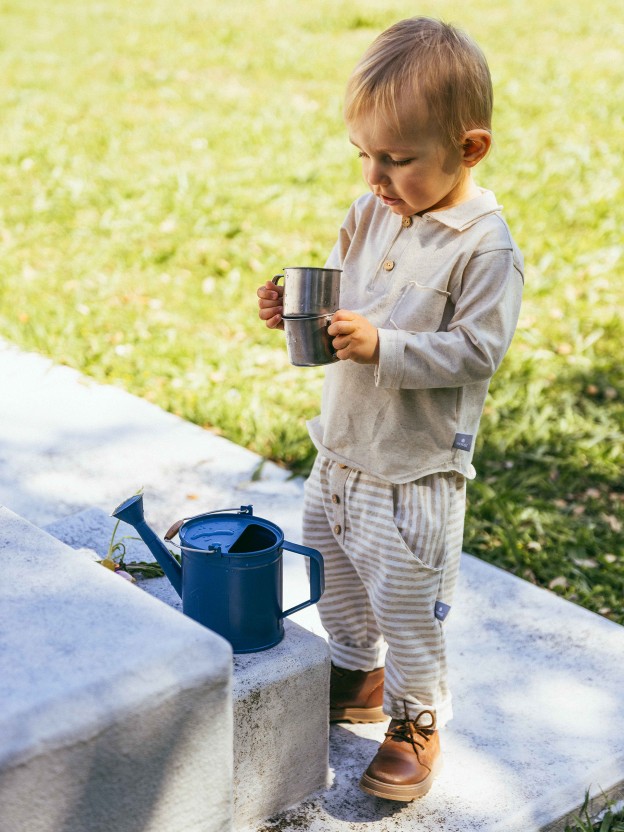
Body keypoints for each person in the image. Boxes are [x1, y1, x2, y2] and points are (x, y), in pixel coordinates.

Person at [257, 16, 523, 802]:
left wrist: (387, 347)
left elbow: (480, 351)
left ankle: (417, 717)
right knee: (335, 576)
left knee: (408, 605)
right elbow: (342, 290)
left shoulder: (483, 247)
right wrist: (292, 309)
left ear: (468, 150)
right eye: (364, 154)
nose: (375, 176)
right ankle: (356, 675)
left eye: (397, 160)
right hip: (342, 447)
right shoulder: (371, 209)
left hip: (412, 470)